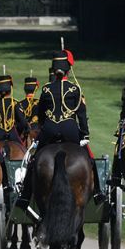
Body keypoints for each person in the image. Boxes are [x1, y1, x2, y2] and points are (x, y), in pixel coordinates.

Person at [18, 53, 101, 210]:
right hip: (70, 130)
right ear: (68, 71)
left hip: (49, 130)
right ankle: (97, 192)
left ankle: (25, 195)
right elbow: (81, 114)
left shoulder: (46, 89)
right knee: (89, 158)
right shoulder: (75, 89)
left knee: (34, 160)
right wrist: (85, 135)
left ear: (54, 71)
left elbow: (41, 114)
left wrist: (43, 129)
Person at [0, 74, 31, 150]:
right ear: (10, 89)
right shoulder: (15, 103)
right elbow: (22, 121)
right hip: (13, 134)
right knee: (23, 151)